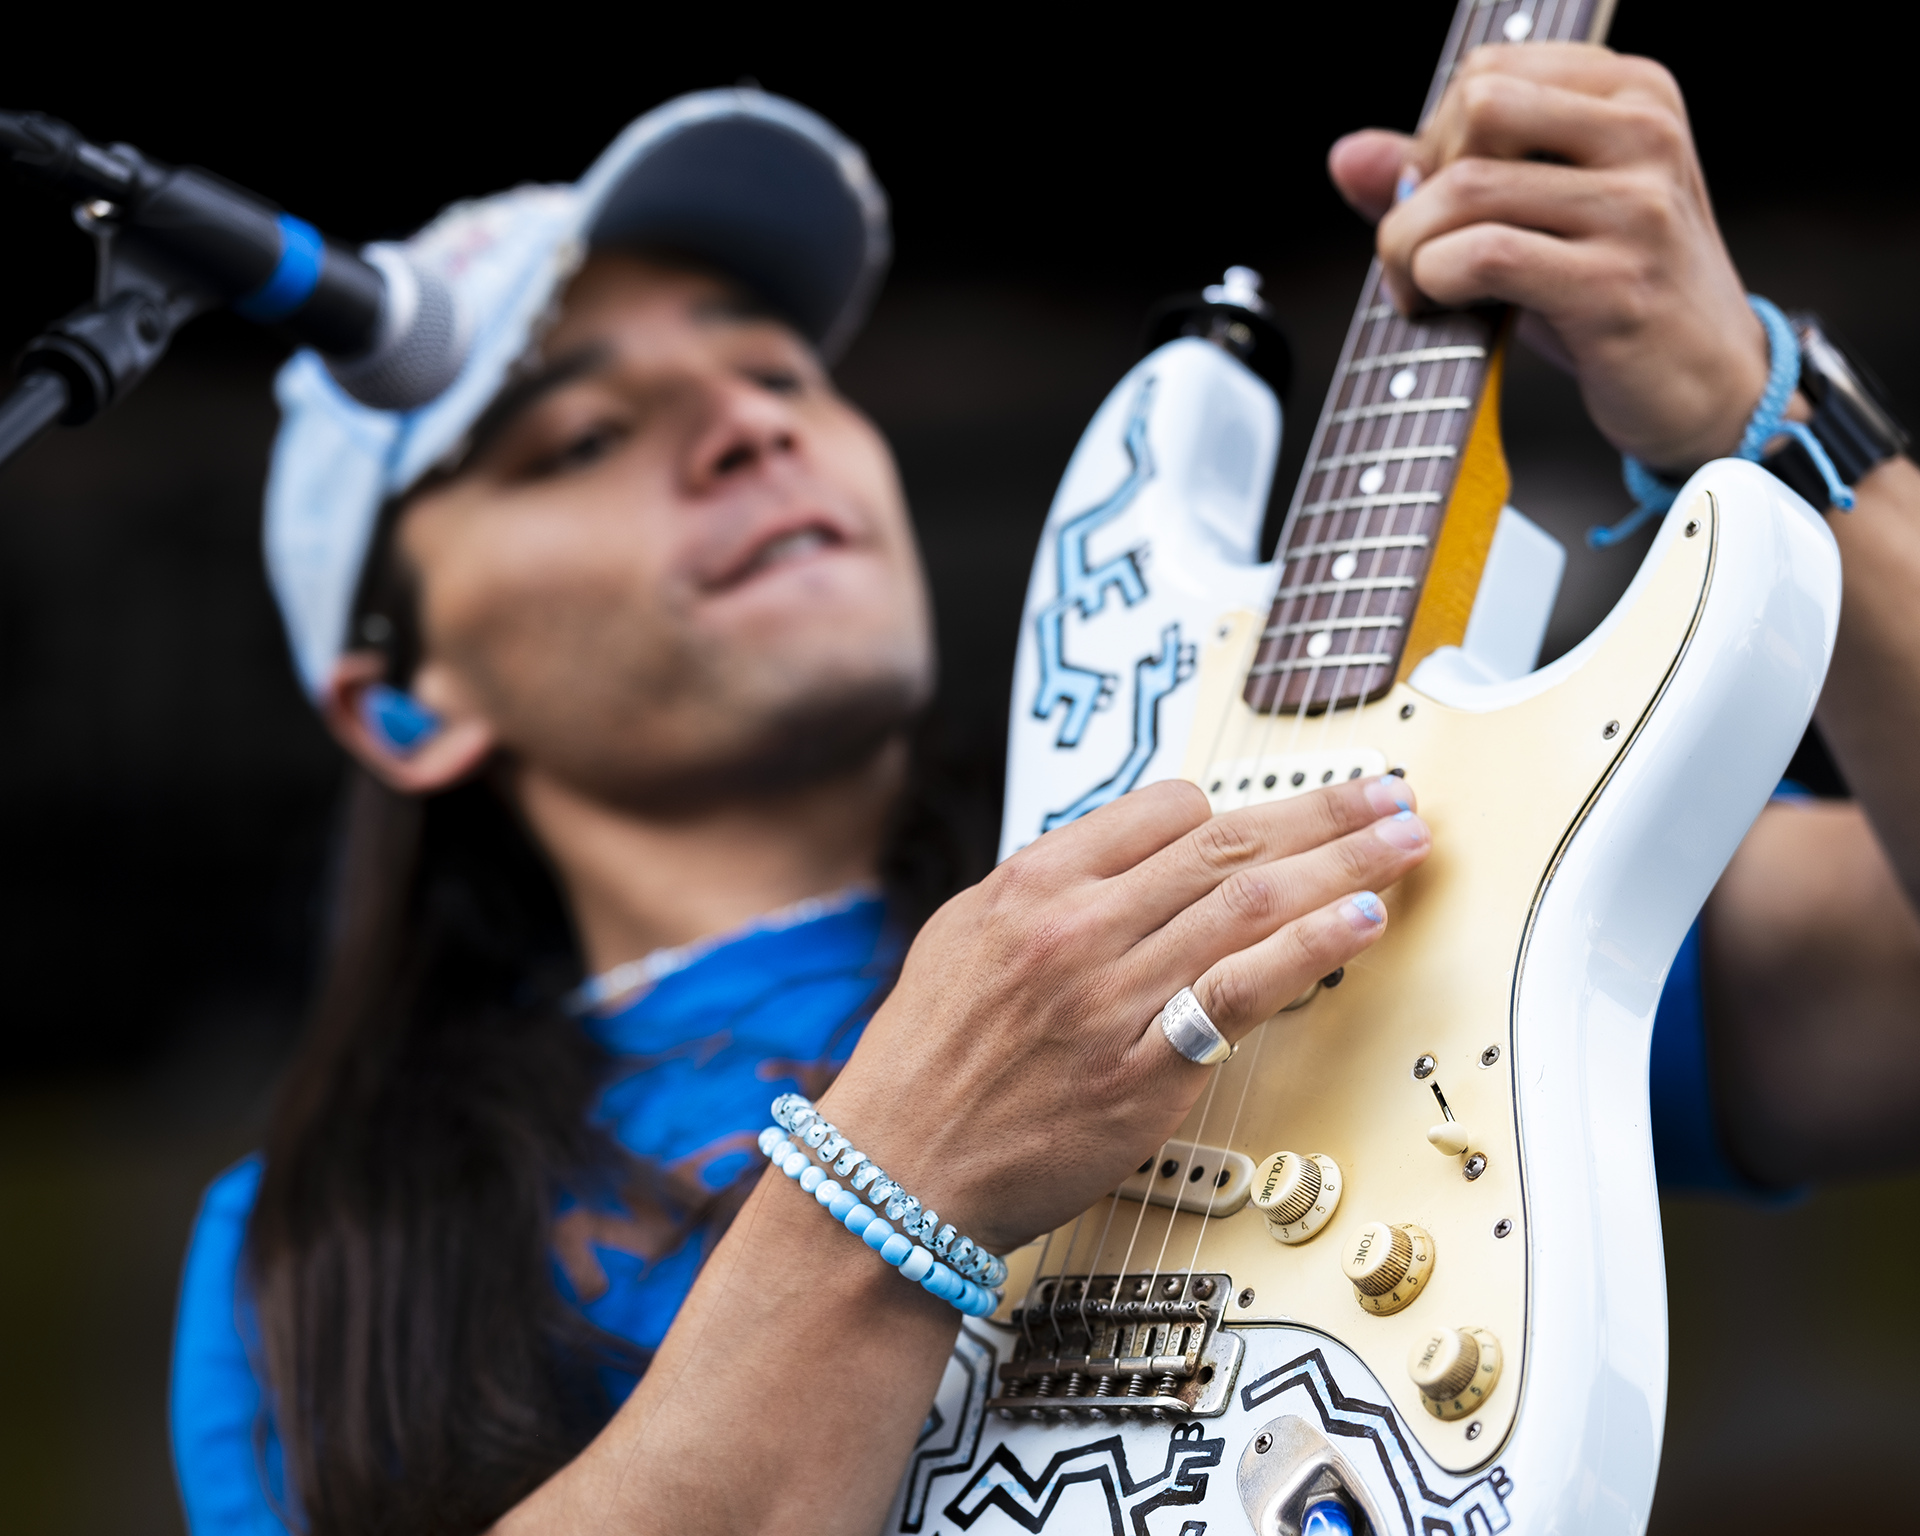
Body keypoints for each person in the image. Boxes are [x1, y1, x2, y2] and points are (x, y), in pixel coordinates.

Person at [166, 45, 1920, 1536]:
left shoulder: (1331, 859)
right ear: (408, 704)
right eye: (583, 438)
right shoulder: (313, 1247)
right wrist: (900, 1171)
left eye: (775, 371)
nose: (753, 424)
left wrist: (1768, 412)